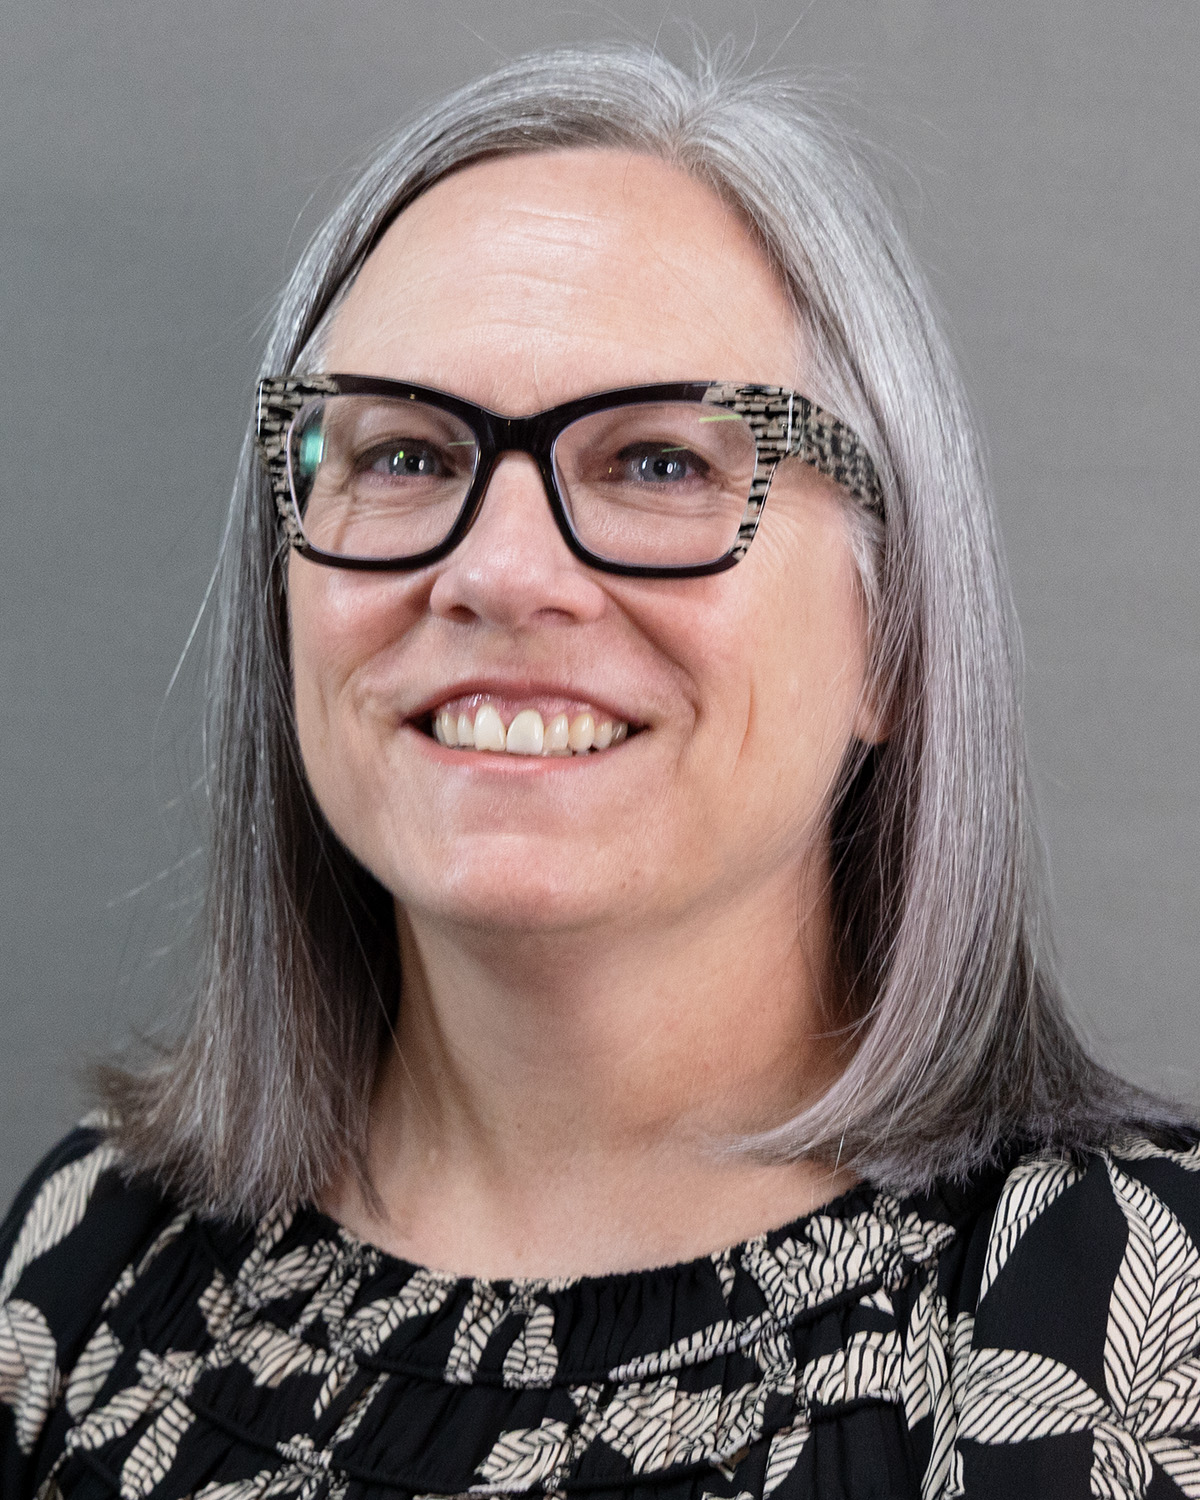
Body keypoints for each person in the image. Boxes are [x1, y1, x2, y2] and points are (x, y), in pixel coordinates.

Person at [1, 44, 1196, 1500]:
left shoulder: (1128, 1320)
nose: (500, 573)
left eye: (661, 464)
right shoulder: (93, 1264)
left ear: (893, 641)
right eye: (405, 455)